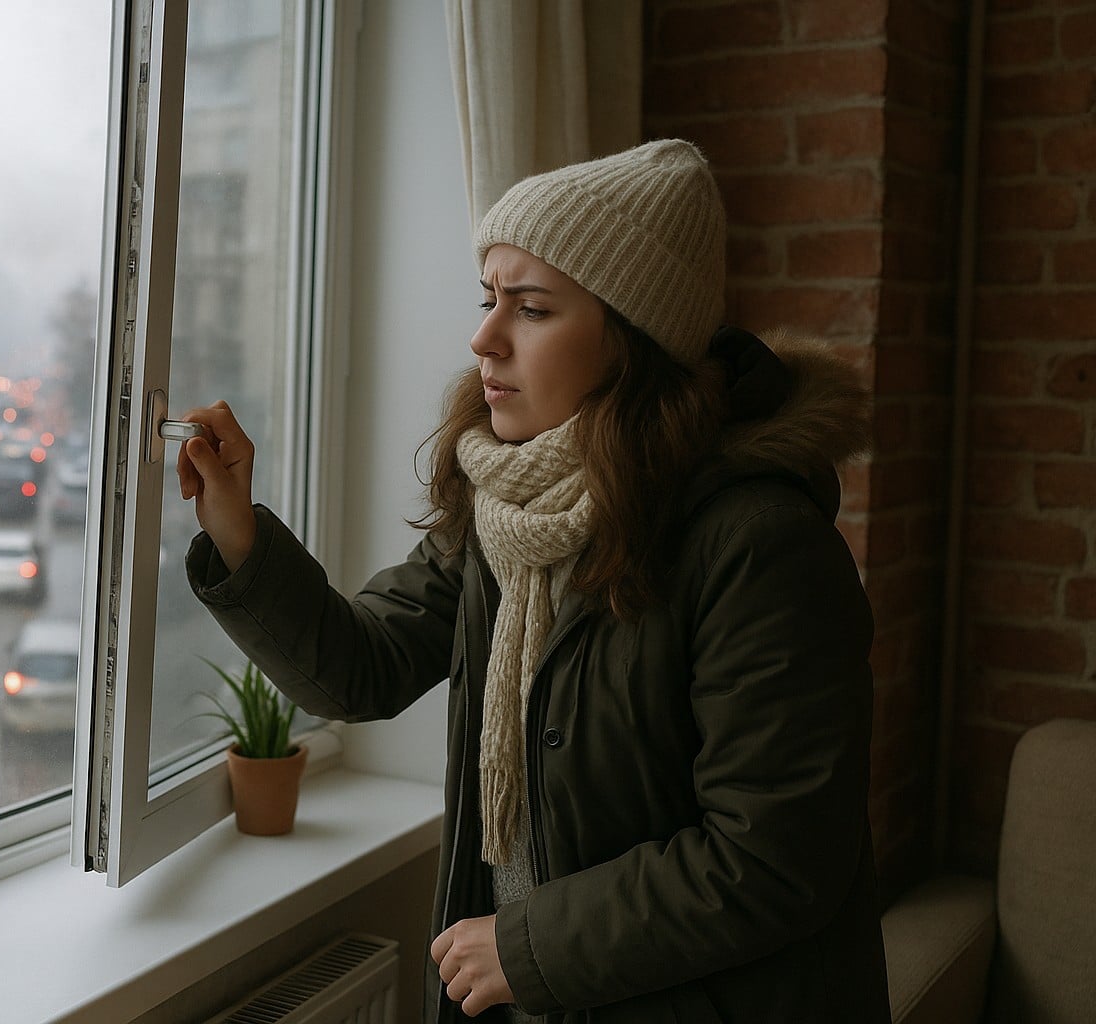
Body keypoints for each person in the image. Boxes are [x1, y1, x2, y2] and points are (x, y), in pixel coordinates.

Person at [175, 139, 890, 1023]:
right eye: (489, 299)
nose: (483, 337)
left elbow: (774, 859)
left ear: (634, 341)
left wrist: (525, 943)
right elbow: (359, 667)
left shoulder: (760, 545)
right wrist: (239, 531)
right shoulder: (508, 510)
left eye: (533, 308)